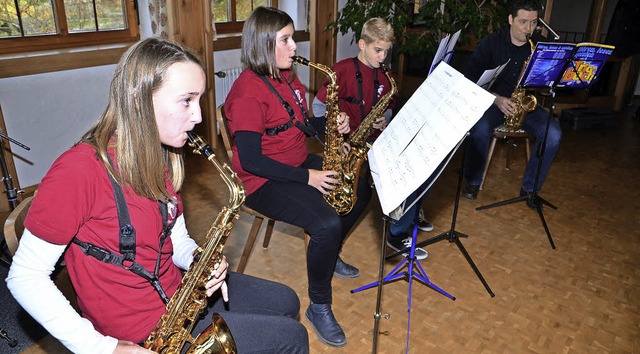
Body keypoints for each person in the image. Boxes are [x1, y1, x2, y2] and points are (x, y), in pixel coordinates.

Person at [6, 37, 308, 354]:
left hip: (177, 295)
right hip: (139, 334)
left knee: (285, 301)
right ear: (139, 99)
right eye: (186, 101)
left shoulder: (159, 154)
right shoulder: (79, 170)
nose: (198, 118)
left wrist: (197, 260)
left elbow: (172, 235)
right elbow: (25, 277)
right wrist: (99, 347)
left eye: (199, 100)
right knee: (291, 338)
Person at [224, 6, 371, 348]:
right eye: (286, 40)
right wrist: (308, 177)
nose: (294, 47)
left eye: (293, 38)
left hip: (295, 161)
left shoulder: (286, 75)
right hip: (261, 181)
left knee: (361, 187)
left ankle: (328, 254)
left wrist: (334, 126)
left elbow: (302, 124)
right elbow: (251, 160)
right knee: (325, 223)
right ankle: (319, 306)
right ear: (263, 45)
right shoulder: (248, 93)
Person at [312, 17, 432, 261]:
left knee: (421, 163)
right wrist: (337, 128)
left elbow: (389, 106)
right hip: (349, 144)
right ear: (362, 44)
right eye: (378, 50)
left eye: (386, 52)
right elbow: (317, 106)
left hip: (377, 140)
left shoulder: (385, 76)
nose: (382, 58)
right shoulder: (342, 70)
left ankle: (400, 226)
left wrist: (384, 118)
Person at [461, 0, 562, 203]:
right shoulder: (491, 43)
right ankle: (472, 180)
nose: (528, 28)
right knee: (479, 129)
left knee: (553, 133)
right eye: (523, 22)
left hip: (525, 105)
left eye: (533, 23)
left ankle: (530, 188)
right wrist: (497, 98)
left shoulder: (540, 46)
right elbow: (470, 79)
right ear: (510, 19)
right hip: (493, 101)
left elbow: (548, 81)